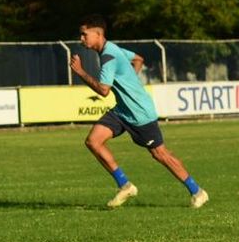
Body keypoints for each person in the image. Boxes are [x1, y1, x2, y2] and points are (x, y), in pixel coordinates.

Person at [71, 15, 209, 209]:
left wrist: (81, 72)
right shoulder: (113, 49)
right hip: (122, 110)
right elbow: (138, 59)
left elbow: (103, 90)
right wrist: (129, 80)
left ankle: (197, 191)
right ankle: (125, 185)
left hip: (139, 113)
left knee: (160, 154)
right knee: (93, 141)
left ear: (98, 33)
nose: (81, 39)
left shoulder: (109, 56)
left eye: (84, 34)